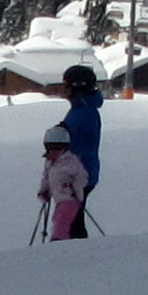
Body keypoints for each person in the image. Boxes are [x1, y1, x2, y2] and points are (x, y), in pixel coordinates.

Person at [59, 62, 105, 196]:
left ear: (77, 86)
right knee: (71, 216)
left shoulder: (85, 112)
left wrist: (71, 176)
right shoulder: (79, 109)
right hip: (78, 175)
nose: (63, 89)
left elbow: (81, 148)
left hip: (79, 177)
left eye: (66, 85)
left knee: (70, 216)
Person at [39, 125, 91, 240]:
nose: (54, 151)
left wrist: (75, 189)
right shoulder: (49, 162)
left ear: (65, 148)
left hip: (70, 198)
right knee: (56, 219)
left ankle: (59, 241)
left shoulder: (70, 161)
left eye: (58, 148)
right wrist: (44, 191)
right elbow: (46, 178)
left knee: (62, 221)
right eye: (51, 148)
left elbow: (82, 176)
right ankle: (62, 242)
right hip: (59, 200)